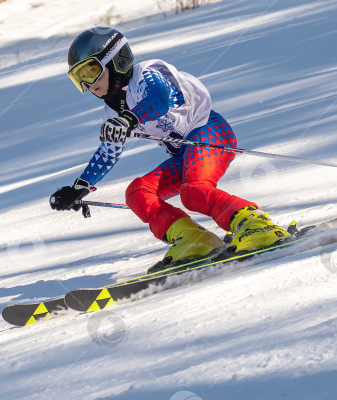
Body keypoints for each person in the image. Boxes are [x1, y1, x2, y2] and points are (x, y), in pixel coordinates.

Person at [50, 27, 289, 270]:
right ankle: (195, 240)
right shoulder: (112, 109)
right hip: (184, 153)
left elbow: (159, 100)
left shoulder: (145, 76)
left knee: (193, 192)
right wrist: (78, 188)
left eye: (91, 71)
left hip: (211, 133)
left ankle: (256, 226)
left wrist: (128, 120)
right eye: (79, 78)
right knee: (138, 192)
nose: (87, 83)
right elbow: (108, 152)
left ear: (116, 61)